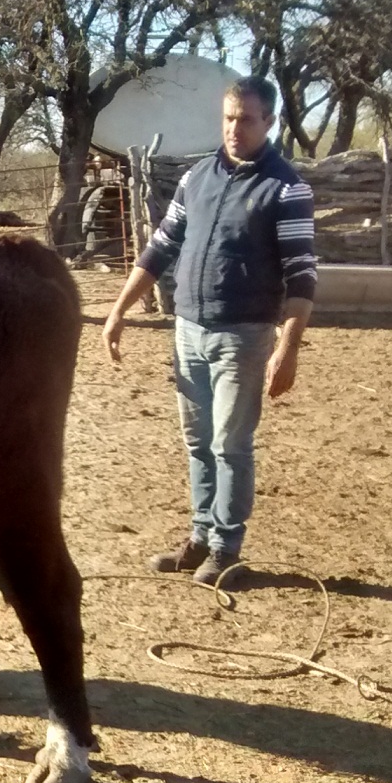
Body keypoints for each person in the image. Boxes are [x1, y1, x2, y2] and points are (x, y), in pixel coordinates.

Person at [101, 76, 316, 589]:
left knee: (229, 444)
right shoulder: (197, 177)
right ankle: (199, 536)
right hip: (188, 329)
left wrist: (287, 350)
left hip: (242, 335)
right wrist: (119, 309)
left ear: (269, 122)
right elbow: (160, 247)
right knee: (197, 441)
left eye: (246, 119)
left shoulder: (286, 188)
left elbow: (302, 275)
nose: (234, 129)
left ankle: (226, 547)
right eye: (228, 118)